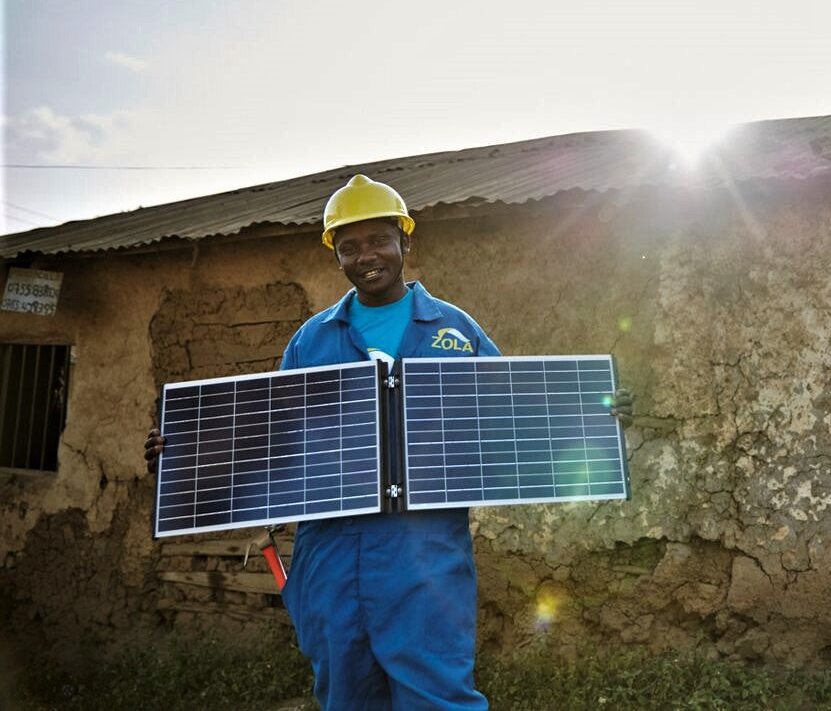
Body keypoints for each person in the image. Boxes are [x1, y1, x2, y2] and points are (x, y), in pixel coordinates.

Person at [145, 174, 631, 710]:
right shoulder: (312, 340)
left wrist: (591, 414)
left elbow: (510, 415)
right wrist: (184, 453)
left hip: (423, 551)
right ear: (337, 258)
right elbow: (273, 438)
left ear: (405, 242)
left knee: (437, 696)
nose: (366, 256)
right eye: (349, 247)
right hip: (331, 551)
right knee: (347, 696)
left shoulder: (454, 330)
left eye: (379, 240)